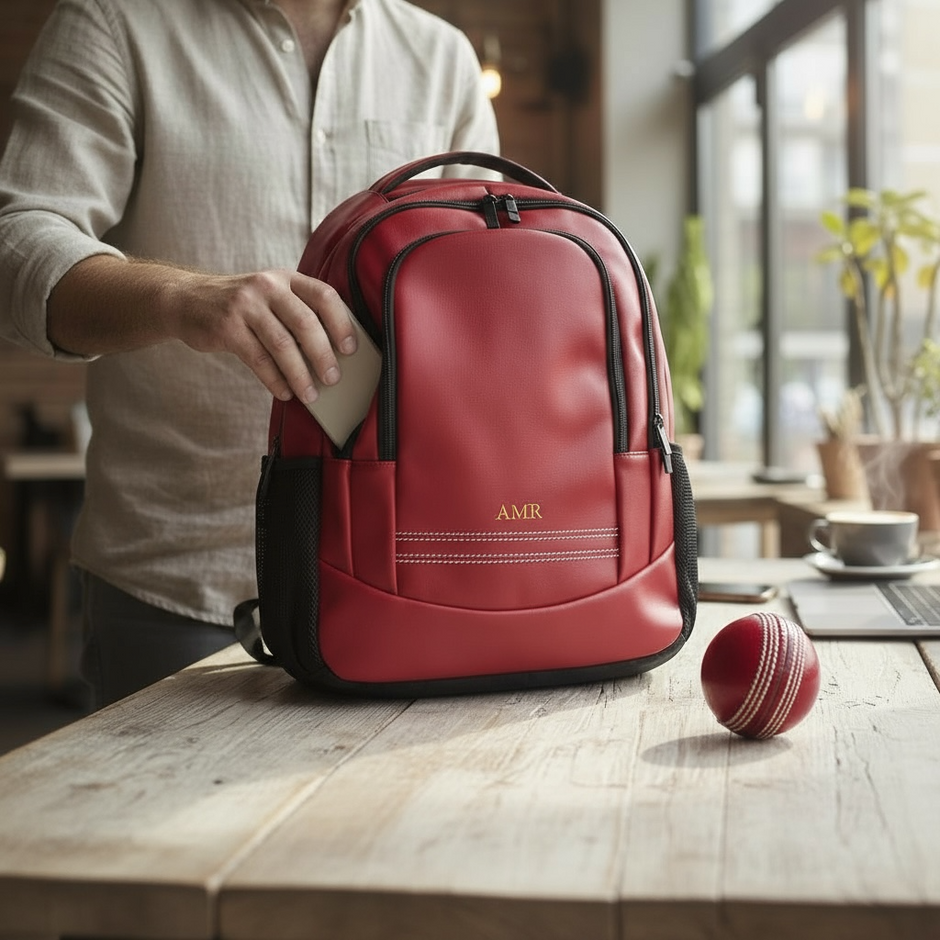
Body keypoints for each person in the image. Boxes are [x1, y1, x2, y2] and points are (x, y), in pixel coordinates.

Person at [0, 0, 499, 708]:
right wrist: (180, 298)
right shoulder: (113, 21)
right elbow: (18, 240)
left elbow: (480, 287)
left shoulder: (442, 57)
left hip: (405, 578)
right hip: (182, 589)